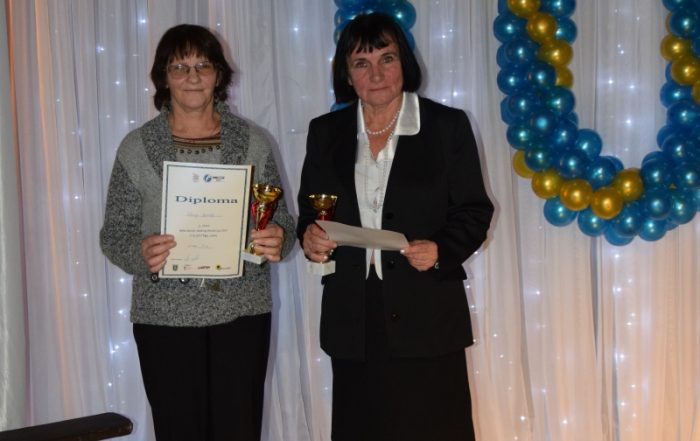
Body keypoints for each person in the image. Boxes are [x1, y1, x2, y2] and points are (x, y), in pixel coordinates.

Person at [297, 12, 494, 441]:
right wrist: (310, 238)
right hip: (353, 314)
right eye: (361, 63)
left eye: (386, 58)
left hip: (427, 309)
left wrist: (441, 250)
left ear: (404, 61)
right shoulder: (325, 132)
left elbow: (475, 211)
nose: (376, 74)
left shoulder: (447, 126)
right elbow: (310, 212)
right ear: (346, 74)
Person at [100, 24, 294, 441]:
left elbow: (283, 223)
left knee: (239, 431)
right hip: (164, 318)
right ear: (163, 77)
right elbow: (114, 233)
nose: (192, 76)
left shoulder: (254, 142)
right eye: (179, 67)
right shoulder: (136, 147)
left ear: (219, 75)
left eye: (203, 65)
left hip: (242, 315)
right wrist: (141, 252)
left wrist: (278, 237)